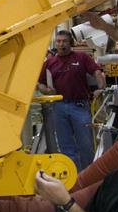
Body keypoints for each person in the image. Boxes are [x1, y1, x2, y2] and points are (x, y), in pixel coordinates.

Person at [38, 28, 102, 171]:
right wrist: (46, 90)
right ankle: (75, 178)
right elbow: (40, 83)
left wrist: (101, 88)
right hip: (58, 108)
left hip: (79, 106)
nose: (61, 44)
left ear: (70, 43)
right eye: (59, 42)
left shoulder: (81, 58)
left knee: (86, 145)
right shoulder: (49, 63)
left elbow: (97, 71)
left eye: (64, 41)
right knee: (66, 146)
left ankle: (88, 176)